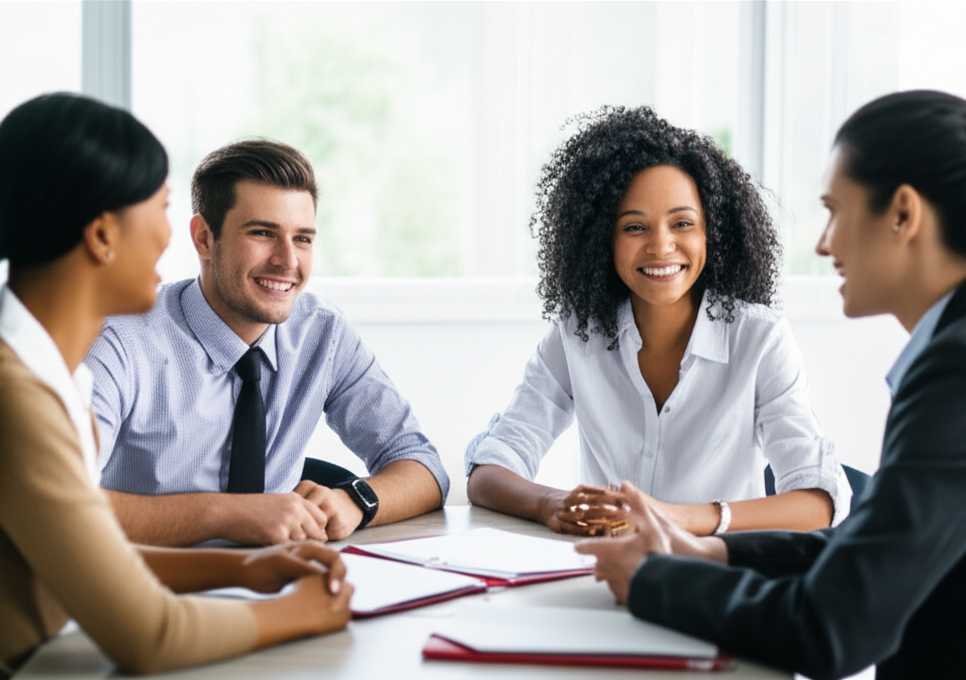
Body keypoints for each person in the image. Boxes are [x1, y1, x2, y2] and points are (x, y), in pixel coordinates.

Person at [577, 87, 966, 680]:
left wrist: (652, 579)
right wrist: (709, 551)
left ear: (903, 214)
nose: (822, 242)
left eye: (835, 210)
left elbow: (831, 629)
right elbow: (870, 551)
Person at [0, 93, 353, 677]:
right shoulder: (18, 399)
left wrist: (238, 570)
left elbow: (84, 556)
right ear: (101, 236)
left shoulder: (43, 376)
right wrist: (303, 614)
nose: (172, 240)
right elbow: (152, 638)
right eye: (161, 209)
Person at [465, 107, 851, 537]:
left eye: (682, 223)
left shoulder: (759, 340)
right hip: (607, 570)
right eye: (634, 228)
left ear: (713, 232)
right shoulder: (578, 334)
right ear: (600, 240)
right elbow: (489, 470)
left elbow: (820, 500)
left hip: (716, 577)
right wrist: (552, 504)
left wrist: (679, 518)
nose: (661, 246)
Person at [85, 139, 449, 547]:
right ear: (204, 238)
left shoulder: (322, 334)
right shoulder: (119, 341)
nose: (287, 261)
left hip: (276, 584)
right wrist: (224, 515)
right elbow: (62, 505)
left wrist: (354, 501)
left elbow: (425, 467)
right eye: (263, 233)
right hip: (146, 590)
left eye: (303, 239)